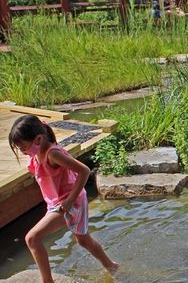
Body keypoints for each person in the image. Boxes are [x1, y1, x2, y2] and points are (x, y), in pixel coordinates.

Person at [9, 115, 118, 283]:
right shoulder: (37, 152)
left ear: (38, 139)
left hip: (69, 202)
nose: (23, 152)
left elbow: (84, 171)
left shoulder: (53, 154)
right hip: (58, 202)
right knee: (84, 240)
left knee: (32, 238)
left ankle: (48, 281)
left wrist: (69, 200)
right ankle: (111, 266)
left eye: (24, 147)